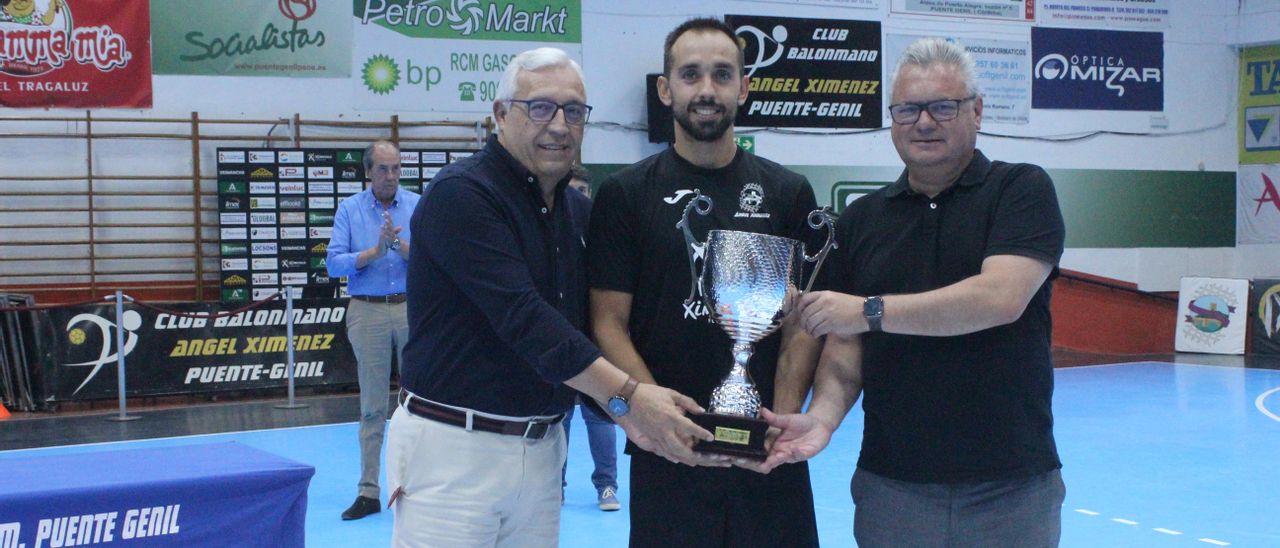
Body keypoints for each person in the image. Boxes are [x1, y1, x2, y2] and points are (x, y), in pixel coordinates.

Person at [386, 47, 715, 546]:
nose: (559, 125)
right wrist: (630, 400)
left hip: (543, 451)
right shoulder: (461, 195)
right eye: (539, 107)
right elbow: (525, 320)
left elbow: (598, 322)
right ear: (499, 115)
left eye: (574, 111)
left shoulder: (577, 214)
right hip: (453, 451)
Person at [761, 37, 1067, 547]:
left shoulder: (1021, 190)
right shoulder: (863, 218)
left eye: (942, 107)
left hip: (1010, 487)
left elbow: (1000, 298)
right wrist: (822, 418)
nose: (923, 122)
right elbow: (844, 344)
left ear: (977, 111)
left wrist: (869, 310)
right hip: (892, 487)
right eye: (907, 109)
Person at [587, 18, 822, 547]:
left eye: (722, 75)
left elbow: (803, 325)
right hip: (666, 453)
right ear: (666, 90)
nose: (707, 90)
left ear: (743, 87)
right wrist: (657, 418)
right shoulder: (625, 196)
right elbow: (607, 321)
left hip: (768, 457)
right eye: (691, 75)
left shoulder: (788, 192)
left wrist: (778, 421)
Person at [325, 139, 419, 521]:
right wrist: (373, 254)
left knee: (419, 405)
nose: (391, 176)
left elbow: (433, 255)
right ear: (367, 172)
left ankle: (417, 486)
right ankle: (368, 491)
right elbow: (334, 264)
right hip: (367, 311)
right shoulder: (349, 209)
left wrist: (399, 245)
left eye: (396, 168)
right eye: (383, 169)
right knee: (372, 408)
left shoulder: (416, 205)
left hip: (412, 308)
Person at [560, 164, 623, 512]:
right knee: (560, 416)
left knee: (600, 416)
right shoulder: (551, 235)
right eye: (570, 190)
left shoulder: (602, 235)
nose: (576, 198)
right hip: (560, 337)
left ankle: (607, 486)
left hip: (596, 338)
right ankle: (556, 484)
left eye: (582, 191)